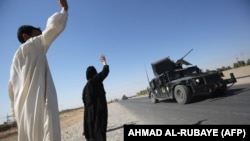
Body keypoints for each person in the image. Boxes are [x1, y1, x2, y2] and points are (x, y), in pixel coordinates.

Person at [8, 0, 68, 140]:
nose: (41, 34)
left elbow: (11, 91)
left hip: (24, 113)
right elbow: (53, 28)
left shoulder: (14, 61)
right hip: (39, 109)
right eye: (37, 32)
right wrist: (64, 10)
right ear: (26, 36)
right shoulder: (32, 45)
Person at [82, 54, 110, 141]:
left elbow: (84, 103)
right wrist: (104, 61)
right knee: (100, 135)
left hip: (89, 120)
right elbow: (105, 71)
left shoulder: (84, 88)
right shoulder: (95, 80)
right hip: (99, 116)